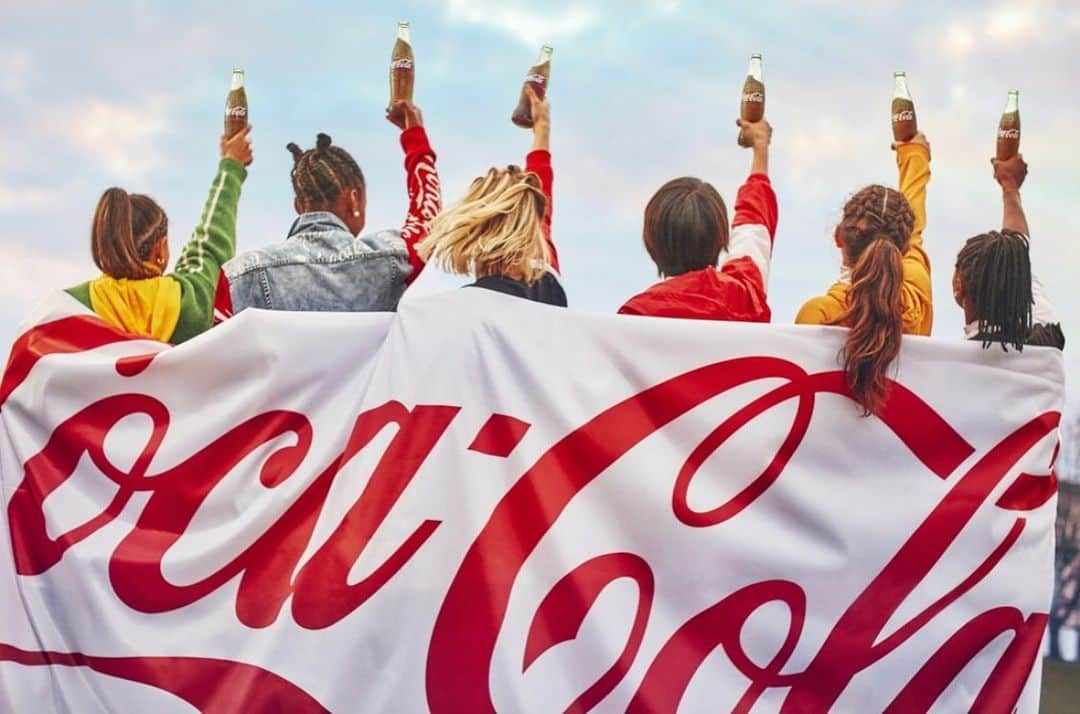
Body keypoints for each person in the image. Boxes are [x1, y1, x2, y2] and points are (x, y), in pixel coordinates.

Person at [217, 100, 440, 315]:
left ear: (298, 205)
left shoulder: (239, 276)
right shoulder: (388, 261)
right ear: (354, 198)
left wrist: (231, 165)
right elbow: (426, 219)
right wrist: (415, 138)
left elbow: (208, 340)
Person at [65, 127, 253, 344]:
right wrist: (231, 166)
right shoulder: (190, 302)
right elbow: (211, 239)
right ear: (160, 249)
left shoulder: (71, 308)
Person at [795, 132, 931, 416]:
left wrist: (914, 154)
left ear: (838, 237)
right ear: (904, 248)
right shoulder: (917, 289)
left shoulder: (818, 314)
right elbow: (915, 228)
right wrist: (914, 155)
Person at [417, 87, 564, 306]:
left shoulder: (454, 309)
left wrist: (414, 139)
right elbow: (541, 200)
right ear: (529, 226)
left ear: (474, 232)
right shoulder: (546, 281)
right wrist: (542, 127)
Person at [618, 118, 777, 321]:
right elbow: (753, 223)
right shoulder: (744, 299)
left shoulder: (634, 316)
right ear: (721, 238)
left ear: (650, 242)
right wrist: (760, 146)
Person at [954, 154, 1064, 350]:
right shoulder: (1047, 339)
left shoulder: (955, 361)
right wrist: (1010, 186)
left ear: (958, 286)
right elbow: (1019, 249)